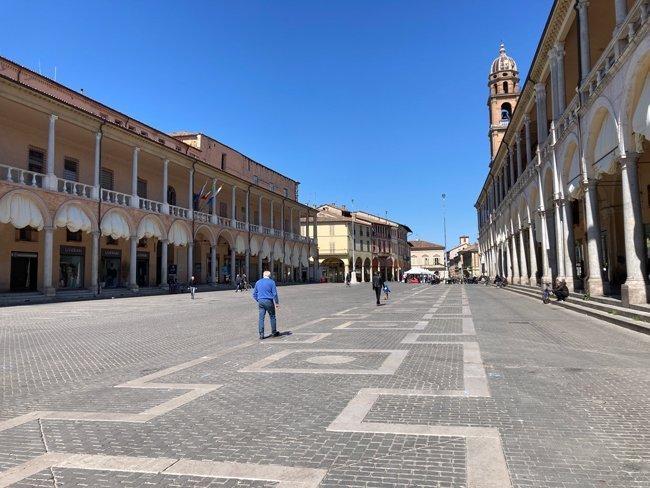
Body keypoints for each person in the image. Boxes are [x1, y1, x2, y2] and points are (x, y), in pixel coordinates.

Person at [253, 270, 280, 339]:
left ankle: (261, 335)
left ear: (263, 275)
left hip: (261, 301)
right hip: (269, 301)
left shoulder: (258, 282)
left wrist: (258, 300)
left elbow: (254, 294)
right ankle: (273, 332)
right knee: (272, 316)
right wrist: (276, 303)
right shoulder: (271, 282)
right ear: (269, 275)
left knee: (261, 318)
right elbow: (275, 294)